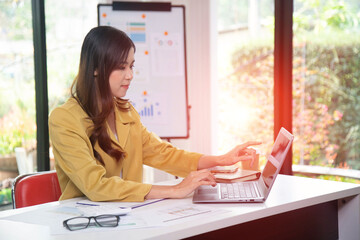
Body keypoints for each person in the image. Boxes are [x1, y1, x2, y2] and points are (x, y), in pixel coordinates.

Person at [49, 26, 260, 202]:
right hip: (85, 225)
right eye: (121, 67)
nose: (130, 75)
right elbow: (94, 185)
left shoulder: (126, 112)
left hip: (129, 218)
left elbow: (164, 154)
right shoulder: (64, 119)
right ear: (95, 68)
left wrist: (221, 160)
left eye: (131, 66)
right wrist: (174, 190)